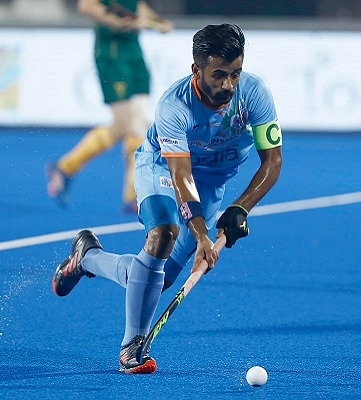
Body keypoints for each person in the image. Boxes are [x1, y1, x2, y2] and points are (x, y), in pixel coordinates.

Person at [51, 24, 283, 374]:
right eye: (218, 75)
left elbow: (273, 160)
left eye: (235, 73)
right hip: (161, 167)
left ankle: (88, 258)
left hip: (211, 184)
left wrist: (240, 208)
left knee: (156, 282)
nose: (228, 85)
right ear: (197, 70)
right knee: (163, 234)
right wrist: (203, 235)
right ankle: (133, 347)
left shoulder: (255, 93)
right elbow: (181, 176)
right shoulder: (175, 106)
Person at [46, 0, 173, 213]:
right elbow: (86, 5)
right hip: (112, 54)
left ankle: (134, 194)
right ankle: (65, 167)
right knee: (123, 125)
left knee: (140, 122)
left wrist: (157, 22)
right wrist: (115, 22)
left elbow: (135, 5)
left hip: (134, 51)